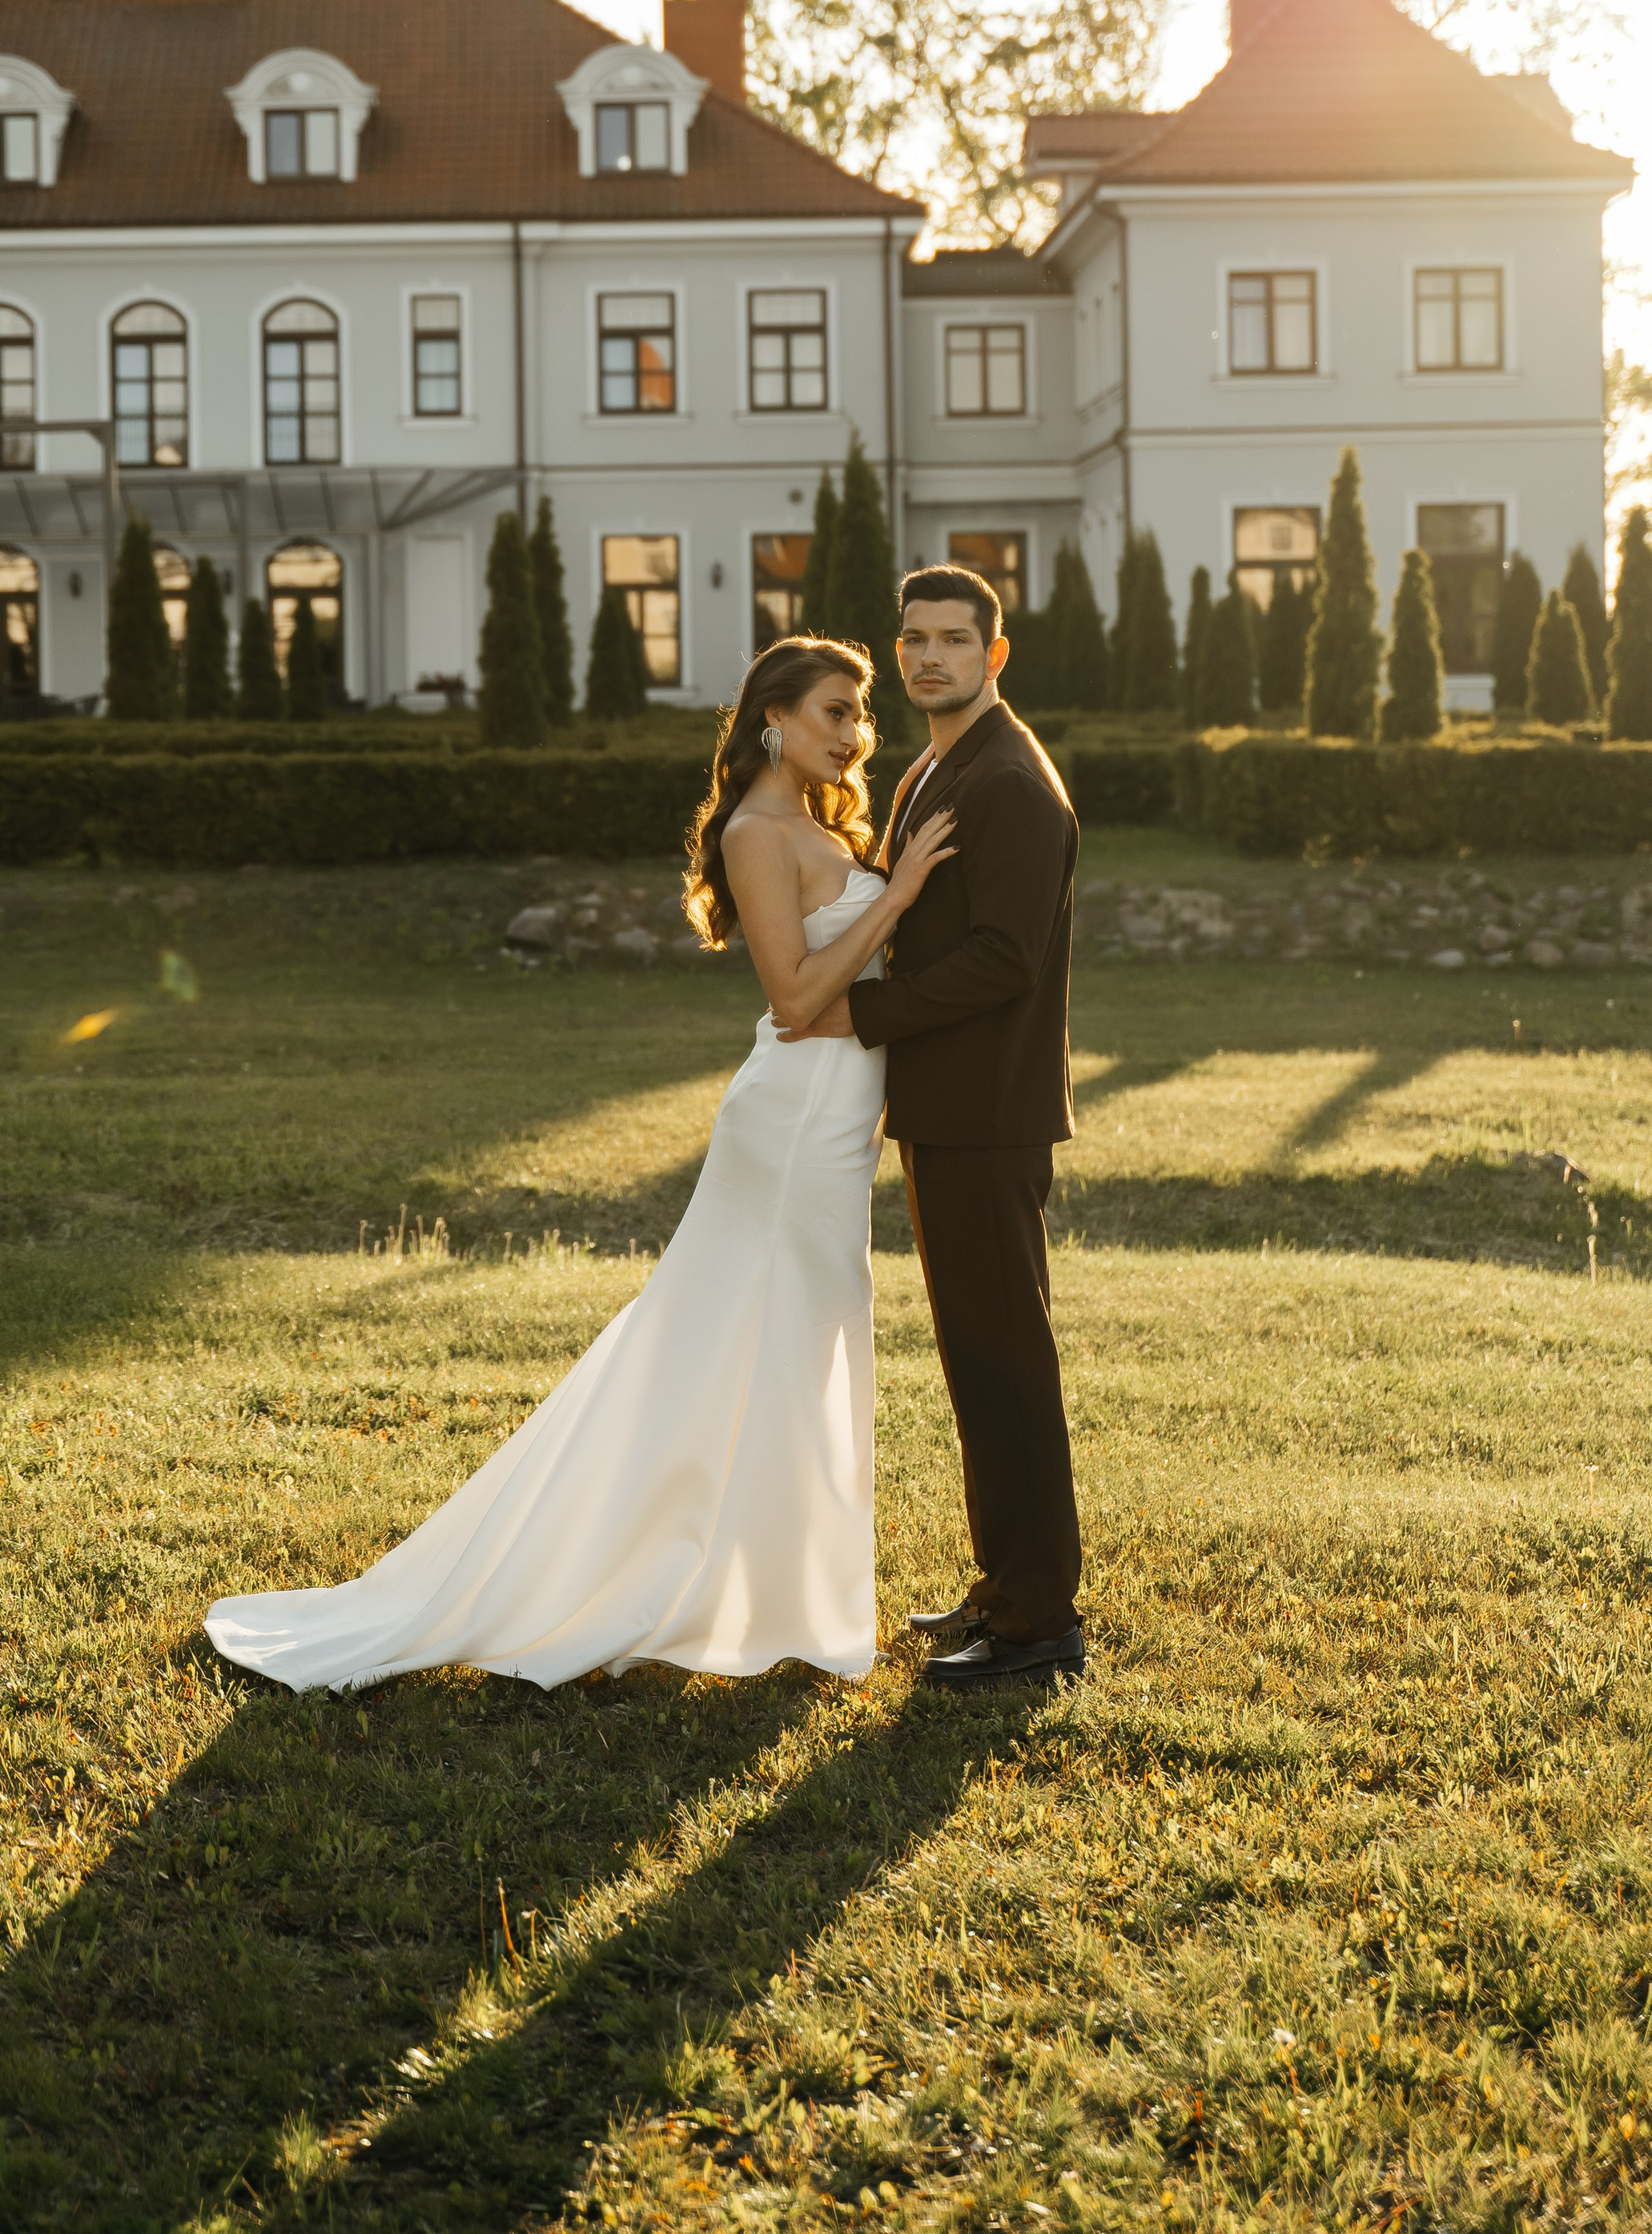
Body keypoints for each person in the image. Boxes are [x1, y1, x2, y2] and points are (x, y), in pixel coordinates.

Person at [204, 634, 957, 1693]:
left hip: (834, 1121)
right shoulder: (754, 831)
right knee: (748, 1340)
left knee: (792, 1345)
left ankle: (779, 1594)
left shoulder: (823, 823)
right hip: (790, 1125)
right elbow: (793, 1002)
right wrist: (897, 896)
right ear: (774, 719)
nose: (856, 734)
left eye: (861, 714)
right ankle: (675, 1580)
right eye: (836, 711)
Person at [779, 563, 1083, 1689]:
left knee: (1007, 1363)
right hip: (949, 1109)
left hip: (987, 1114)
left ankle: (1041, 1619)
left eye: (954, 640)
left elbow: (1004, 959)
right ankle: (1005, 1587)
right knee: (979, 1361)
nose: (928, 657)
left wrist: (860, 1012)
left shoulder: (1008, 781)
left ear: (995, 656)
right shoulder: (937, 763)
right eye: (913, 638)